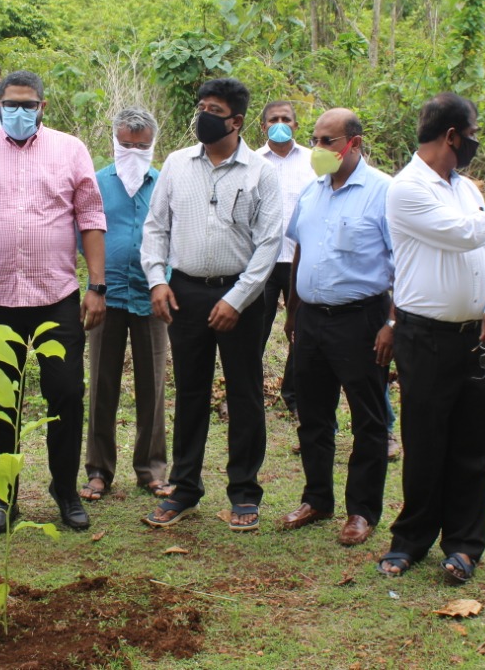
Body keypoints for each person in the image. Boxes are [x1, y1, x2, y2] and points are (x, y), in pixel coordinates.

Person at [0, 70, 108, 534]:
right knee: (0, 401)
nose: (18, 111)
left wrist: (97, 286)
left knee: (67, 395)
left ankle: (65, 489)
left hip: (56, 296)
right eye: (10, 103)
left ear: (42, 107)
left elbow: (91, 218)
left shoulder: (70, 149)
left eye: (28, 104)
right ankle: (4, 497)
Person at [377, 92, 485, 582]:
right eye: (473, 132)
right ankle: (411, 539)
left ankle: (464, 544)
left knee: (472, 442)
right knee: (424, 441)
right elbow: (468, 234)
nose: (475, 142)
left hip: (474, 338)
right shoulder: (407, 189)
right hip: (424, 336)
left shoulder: (465, 189)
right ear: (452, 135)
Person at [140, 77, 283, 532]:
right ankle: (185, 488)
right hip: (184, 291)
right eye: (200, 105)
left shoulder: (262, 173)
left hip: (242, 296)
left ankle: (244, 492)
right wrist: (157, 280)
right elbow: (155, 227)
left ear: (237, 121)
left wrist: (238, 298)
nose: (203, 114)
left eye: (213, 109)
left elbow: (269, 245)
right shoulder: (178, 165)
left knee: (245, 393)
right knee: (191, 392)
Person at [280, 109, 393, 546]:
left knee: (368, 420)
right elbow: (300, 252)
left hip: (361, 320)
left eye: (329, 141)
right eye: (316, 140)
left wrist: (392, 323)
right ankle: (317, 498)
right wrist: (292, 313)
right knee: (312, 414)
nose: (320, 149)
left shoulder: (384, 192)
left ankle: (362, 511)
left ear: (355, 143)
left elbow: (402, 264)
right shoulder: (312, 192)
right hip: (311, 319)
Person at [80, 107, 172, 503]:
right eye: (127, 144)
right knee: (102, 383)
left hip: (153, 293)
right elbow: (84, 233)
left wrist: (165, 280)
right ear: (114, 142)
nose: (134, 151)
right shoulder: (96, 183)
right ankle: (99, 470)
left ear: (154, 144)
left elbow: (175, 232)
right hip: (107, 294)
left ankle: (151, 469)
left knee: (153, 385)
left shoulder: (166, 182)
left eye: (142, 145)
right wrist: (91, 285)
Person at [254, 102, 313, 437]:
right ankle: (245, 394)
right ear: (263, 127)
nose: (279, 124)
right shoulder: (251, 162)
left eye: (285, 119)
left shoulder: (312, 161)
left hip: (300, 260)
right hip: (261, 262)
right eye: (273, 120)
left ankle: (294, 395)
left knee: (301, 333)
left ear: (296, 124)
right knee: (253, 333)